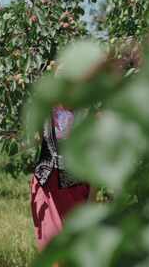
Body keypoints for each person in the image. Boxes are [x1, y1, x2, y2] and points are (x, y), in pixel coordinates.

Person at [30, 71, 91, 252]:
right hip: (47, 184)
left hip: (75, 186)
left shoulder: (86, 113)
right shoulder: (47, 109)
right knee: (51, 243)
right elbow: (34, 138)